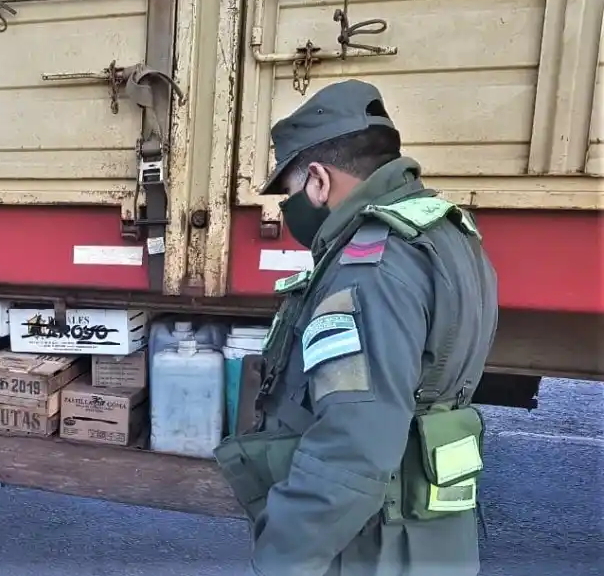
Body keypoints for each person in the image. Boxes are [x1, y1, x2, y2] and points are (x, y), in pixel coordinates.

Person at [214, 79, 499, 576]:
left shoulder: (369, 269)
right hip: (428, 537)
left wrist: (282, 558)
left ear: (319, 180)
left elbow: (351, 448)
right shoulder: (445, 233)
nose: (288, 208)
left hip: (372, 547)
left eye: (290, 192)